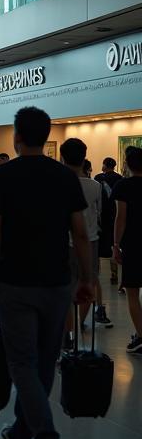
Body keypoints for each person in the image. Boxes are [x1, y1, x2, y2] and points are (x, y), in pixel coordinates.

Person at [0, 108, 91, 439]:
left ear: (17, 137)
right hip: (57, 283)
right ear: (47, 134)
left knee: (21, 363)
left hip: (16, 284)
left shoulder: (1, 177)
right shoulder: (65, 176)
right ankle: (18, 437)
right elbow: (81, 233)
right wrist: (88, 278)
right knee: (42, 363)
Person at [59, 138, 106, 329]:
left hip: (64, 242)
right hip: (91, 241)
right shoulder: (95, 186)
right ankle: (79, 324)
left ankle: (68, 330)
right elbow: (99, 213)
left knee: (66, 287)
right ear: (84, 158)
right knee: (89, 282)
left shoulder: (58, 184)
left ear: (62, 157)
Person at [113, 146, 142, 355]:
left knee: (132, 292)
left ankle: (141, 336)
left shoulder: (123, 186)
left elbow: (120, 218)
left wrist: (116, 244)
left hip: (133, 244)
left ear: (127, 164)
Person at [96, 156, 123, 292]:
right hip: (116, 214)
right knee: (116, 244)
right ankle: (115, 275)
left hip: (103, 217)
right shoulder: (120, 179)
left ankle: (97, 275)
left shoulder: (98, 178)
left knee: (101, 247)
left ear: (106, 165)